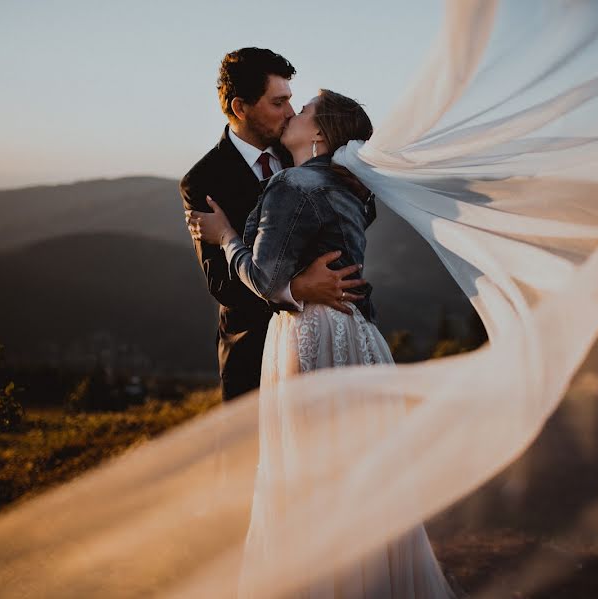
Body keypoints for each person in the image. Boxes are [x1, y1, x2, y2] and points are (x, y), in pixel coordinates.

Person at [187, 89, 458, 598]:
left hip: (312, 334)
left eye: (304, 108)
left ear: (319, 134)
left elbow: (266, 279)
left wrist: (226, 236)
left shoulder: (293, 183)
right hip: (360, 334)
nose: (293, 112)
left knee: (311, 481)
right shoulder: (352, 188)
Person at [180, 47, 367, 401]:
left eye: (292, 101)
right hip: (253, 355)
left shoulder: (300, 149)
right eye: (278, 103)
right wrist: (298, 289)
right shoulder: (204, 180)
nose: (291, 112)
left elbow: (351, 210)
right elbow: (222, 284)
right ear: (241, 108)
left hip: (323, 342)